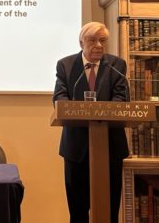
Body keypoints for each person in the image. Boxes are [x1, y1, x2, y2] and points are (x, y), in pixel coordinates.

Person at [53, 21, 129, 223]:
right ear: (81, 43)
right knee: (78, 211)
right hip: (76, 148)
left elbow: (121, 98)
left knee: (109, 210)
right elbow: (60, 98)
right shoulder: (66, 65)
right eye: (93, 40)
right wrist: (80, 111)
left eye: (102, 40)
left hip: (110, 146)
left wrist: (99, 113)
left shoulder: (117, 66)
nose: (99, 45)